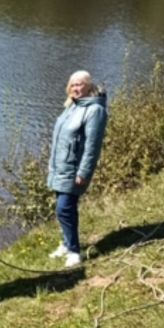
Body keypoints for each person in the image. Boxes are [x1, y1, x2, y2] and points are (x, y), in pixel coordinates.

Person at [47, 71, 108, 268]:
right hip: (60, 167)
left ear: (89, 87)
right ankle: (66, 244)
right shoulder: (71, 106)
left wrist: (84, 172)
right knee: (64, 209)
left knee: (64, 208)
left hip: (74, 170)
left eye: (80, 84)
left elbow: (92, 146)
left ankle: (74, 251)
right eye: (72, 84)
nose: (75, 88)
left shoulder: (94, 111)